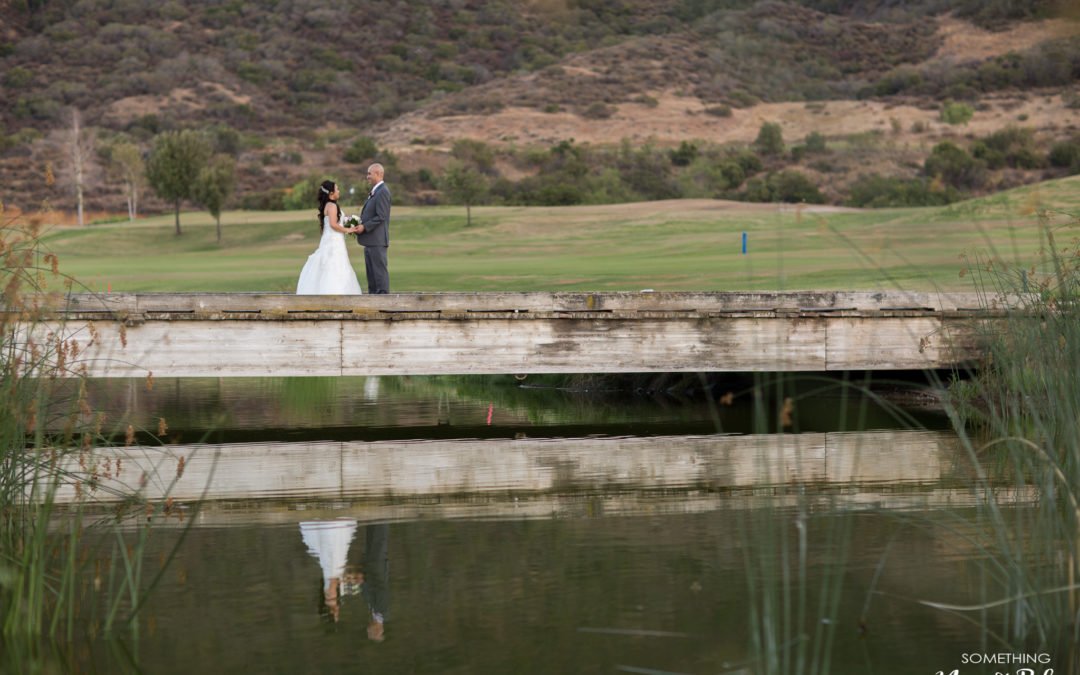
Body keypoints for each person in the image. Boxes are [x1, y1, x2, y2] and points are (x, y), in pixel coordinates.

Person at [296, 180, 363, 295]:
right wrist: (348, 229)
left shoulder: (327, 205)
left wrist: (346, 221)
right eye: (337, 189)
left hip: (330, 239)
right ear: (331, 193)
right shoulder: (332, 205)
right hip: (334, 241)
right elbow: (333, 224)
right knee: (335, 265)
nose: (339, 191)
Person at [299, 518, 358, 623]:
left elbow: (333, 582)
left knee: (333, 548)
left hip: (333, 571)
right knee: (334, 547)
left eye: (336, 615)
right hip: (333, 570)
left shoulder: (331, 599)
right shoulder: (333, 599)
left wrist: (341, 580)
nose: (338, 613)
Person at [353, 163, 391, 294]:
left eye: (370, 173)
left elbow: (381, 216)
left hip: (377, 240)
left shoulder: (383, 192)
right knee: (372, 278)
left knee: (379, 276)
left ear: (378, 174)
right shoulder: (376, 191)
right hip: (370, 241)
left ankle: (383, 304)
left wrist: (365, 226)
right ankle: (372, 304)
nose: (367, 176)